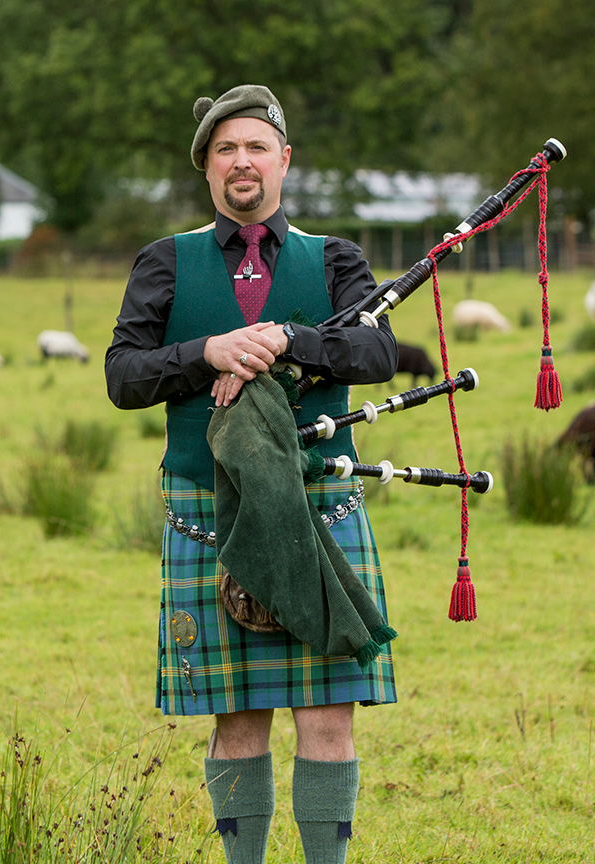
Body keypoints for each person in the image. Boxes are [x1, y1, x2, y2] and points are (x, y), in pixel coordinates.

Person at [105, 84, 398, 864]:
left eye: (256, 147)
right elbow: (123, 377)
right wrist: (206, 352)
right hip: (208, 507)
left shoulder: (335, 259)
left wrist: (287, 340)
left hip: (319, 502)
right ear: (207, 167)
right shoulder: (164, 262)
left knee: (329, 713)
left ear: (284, 161)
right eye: (226, 149)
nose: (243, 161)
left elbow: (375, 353)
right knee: (236, 717)